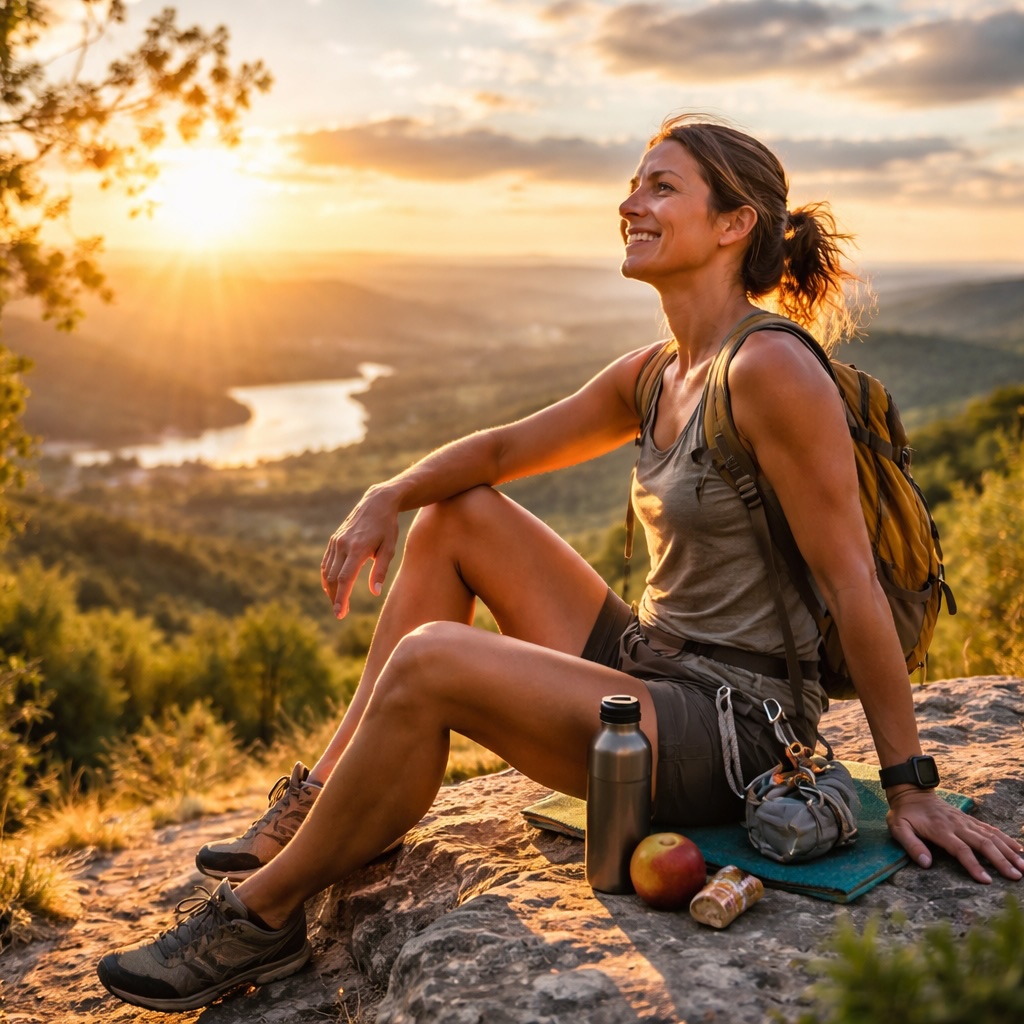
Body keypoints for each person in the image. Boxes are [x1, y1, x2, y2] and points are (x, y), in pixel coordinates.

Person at [97, 115, 1024, 1012]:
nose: (632, 202)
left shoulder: (768, 371)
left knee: (431, 662)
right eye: (633, 184)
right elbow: (498, 453)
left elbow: (853, 581)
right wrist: (384, 496)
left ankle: (258, 916)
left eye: (662, 186)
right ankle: (321, 805)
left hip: (735, 726)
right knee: (456, 515)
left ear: (735, 224)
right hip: (654, 668)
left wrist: (908, 785)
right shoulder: (658, 370)